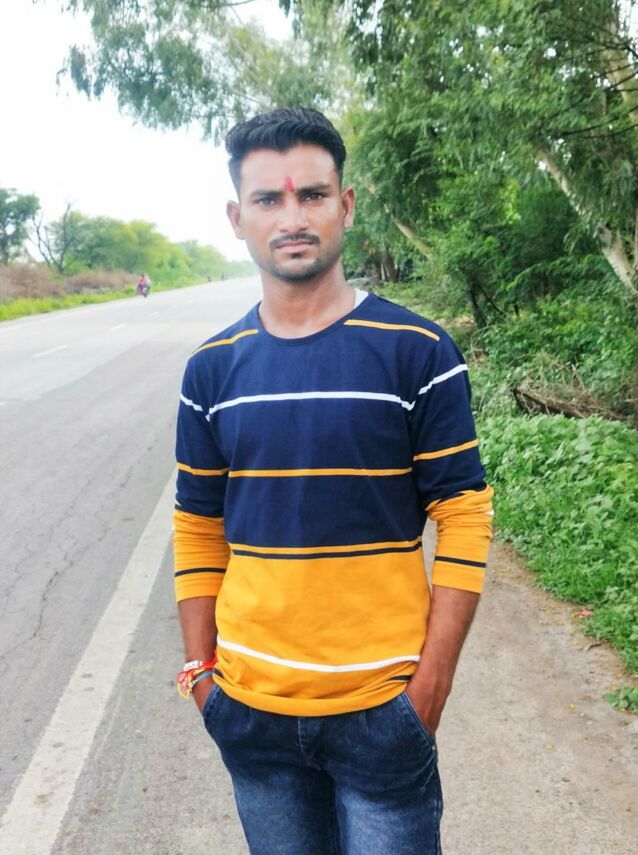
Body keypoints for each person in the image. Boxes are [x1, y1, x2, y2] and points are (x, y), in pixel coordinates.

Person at [173, 107, 493, 855]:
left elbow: (464, 514)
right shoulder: (211, 370)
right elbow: (197, 524)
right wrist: (201, 677)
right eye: (268, 199)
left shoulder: (417, 351)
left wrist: (430, 689)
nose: (292, 217)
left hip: (383, 712)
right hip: (249, 713)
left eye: (312, 195)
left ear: (345, 205)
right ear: (237, 219)